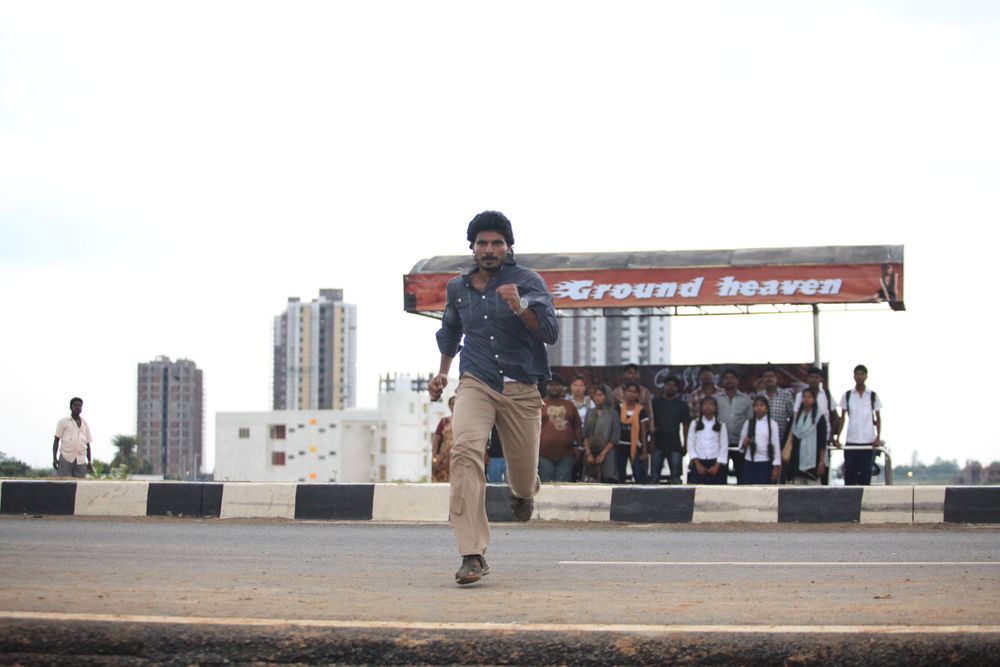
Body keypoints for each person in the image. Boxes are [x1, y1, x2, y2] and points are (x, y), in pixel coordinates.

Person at [429, 210, 559, 586]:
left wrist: (520, 307)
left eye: (497, 243)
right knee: (464, 451)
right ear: (472, 247)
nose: (489, 249)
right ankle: (472, 553)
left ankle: (524, 492)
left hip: (521, 386)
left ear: (509, 247)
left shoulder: (528, 281)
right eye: (482, 243)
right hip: (477, 381)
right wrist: (442, 373)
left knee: (522, 478)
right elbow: (450, 331)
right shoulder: (458, 288)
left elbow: (549, 332)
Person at [835, 364, 883, 486]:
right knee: (850, 473)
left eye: (862, 374)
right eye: (857, 374)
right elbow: (842, 418)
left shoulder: (872, 396)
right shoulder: (847, 395)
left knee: (866, 475)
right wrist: (838, 438)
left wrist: (878, 437)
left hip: (868, 441)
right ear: (854, 376)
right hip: (852, 440)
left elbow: (878, 418)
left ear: (866, 376)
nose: (859, 377)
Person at [538, 377, 582, 483]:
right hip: (543, 454)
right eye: (551, 384)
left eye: (557, 385)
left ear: (562, 387)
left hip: (566, 455)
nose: (554, 387)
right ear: (546, 387)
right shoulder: (540, 404)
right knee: (546, 486)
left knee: (563, 486)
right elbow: (532, 429)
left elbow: (577, 427)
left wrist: (579, 446)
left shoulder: (569, 405)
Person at [754, 368, 795, 481]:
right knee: (766, 475)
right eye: (766, 377)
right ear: (762, 380)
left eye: (771, 376)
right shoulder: (759, 396)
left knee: (780, 475)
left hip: (781, 440)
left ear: (777, 379)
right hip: (762, 443)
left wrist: (788, 440)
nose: (769, 379)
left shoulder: (785, 395)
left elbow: (793, 417)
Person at [650, 376, 690, 484]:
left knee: (676, 478)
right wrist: (651, 441)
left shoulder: (682, 405)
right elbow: (650, 423)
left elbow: (686, 426)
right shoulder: (655, 403)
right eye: (668, 385)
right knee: (654, 477)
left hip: (675, 444)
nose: (671, 387)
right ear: (664, 386)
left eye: (674, 385)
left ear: (678, 388)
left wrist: (686, 445)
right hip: (657, 444)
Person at [715, 369, 753, 482]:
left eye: (732, 378)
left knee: (742, 477)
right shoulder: (716, 398)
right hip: (720, 444)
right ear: (722, 381)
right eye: (726, 378)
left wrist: (748, 437)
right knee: (720, 477)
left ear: (737, 381)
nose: (729, 380)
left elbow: (751, 420)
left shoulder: (746, 399)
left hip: (740, 444)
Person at [787, 387, 828, 485]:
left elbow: (822, 442)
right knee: (798, 488)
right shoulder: (796, 416)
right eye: (804, 397)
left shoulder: (819, 417)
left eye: (809, 397)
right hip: (797, 459)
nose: (806, 399)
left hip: (814, 461)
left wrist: (821, 462)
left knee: (813, 489)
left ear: (814, 399)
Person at [738, 397, 781, 484]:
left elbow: (776, 446)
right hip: (750, 461)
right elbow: (741, 446)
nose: (759, 408)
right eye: (756, 405)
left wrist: (776, 467)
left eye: (762, 405)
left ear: (767, 408)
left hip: (765, 462)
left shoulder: (773, 424)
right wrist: (744, 444)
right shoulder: (748, 423)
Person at [686, 396, 728, 484]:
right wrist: (697, 465)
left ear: (716, 408)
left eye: (711, 404)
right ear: (701, 407)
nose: (708, 406)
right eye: (705, 404)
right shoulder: (695, 423)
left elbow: (724, 446)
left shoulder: (720, 424)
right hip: (698, 462)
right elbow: (690, 445)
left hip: (715, 462)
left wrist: (717, 465)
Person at [582, 384, 620, 483]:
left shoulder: (613, 414)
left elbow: (614, 437)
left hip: (607, 453)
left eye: (600, 395)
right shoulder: (590, 412)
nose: (597, 398)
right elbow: (585, 435)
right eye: (596, 395)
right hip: (590, 453)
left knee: (607, 480)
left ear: (607, 396)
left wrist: (602, 455)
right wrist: (588, 454)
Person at [793, 367, 838, 447]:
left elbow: (835, 417)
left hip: (824, 438)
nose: (814, 380)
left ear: (821, 379)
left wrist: (831, 436)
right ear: (807, 379)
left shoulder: (826, 395)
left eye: (817, 377)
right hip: (805, 437)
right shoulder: (800, 396)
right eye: (811, 377)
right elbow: (795, 416)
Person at [615, 381, 650, 483]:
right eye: (629, 391)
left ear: (638, 394)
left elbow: (643, 433)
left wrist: (644, 451)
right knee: (620, 475)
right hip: (620, 446)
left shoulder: (641, 410)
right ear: (625, 392)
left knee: (638, 475)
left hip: (636, 448)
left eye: (634, 392)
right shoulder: (618, 408)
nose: (631, 394)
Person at [53, 397, 94, 478]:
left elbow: (88, 444)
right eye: (75, 405)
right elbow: (56, 440)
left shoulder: (85, 424)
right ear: (70, 407)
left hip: (81, 460)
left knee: (81, 484)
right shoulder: (63, 422)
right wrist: (54, 458)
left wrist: (89, 461)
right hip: (66, 458)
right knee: (64, 483)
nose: (77, 407)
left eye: (80, 405)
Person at [613, 363, 655, 432]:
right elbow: (612, 413)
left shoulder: (645, 392)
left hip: (640, 429)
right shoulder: (616, 392)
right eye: (629, 373)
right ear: (624, 375)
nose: (633, 375)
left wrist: (651, 428)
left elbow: (650, 413)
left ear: (639, 375)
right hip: (621, 429)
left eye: (635, 373)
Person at [431, 396, 456, 482]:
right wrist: (434, 457)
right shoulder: (444, 421)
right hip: (445, 458)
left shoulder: (465, 422)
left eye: (456, 403)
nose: (454, 406)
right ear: (449, 406)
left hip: (460, 458)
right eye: (452, 404)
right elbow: (436, 440)